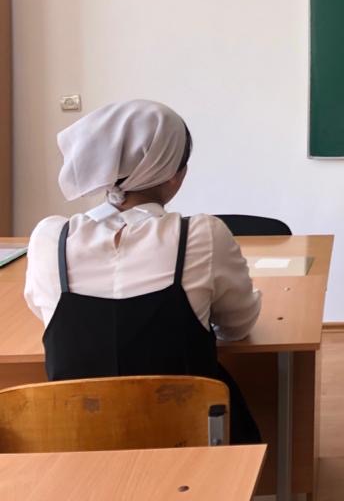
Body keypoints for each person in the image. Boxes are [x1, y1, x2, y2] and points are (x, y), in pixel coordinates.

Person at [24, 99, 263, 443]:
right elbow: (238, 325)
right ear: (174, 175)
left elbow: (44, 314)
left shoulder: (50, 237)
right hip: (191, 438)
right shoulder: (201, 235)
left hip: (76, 441)